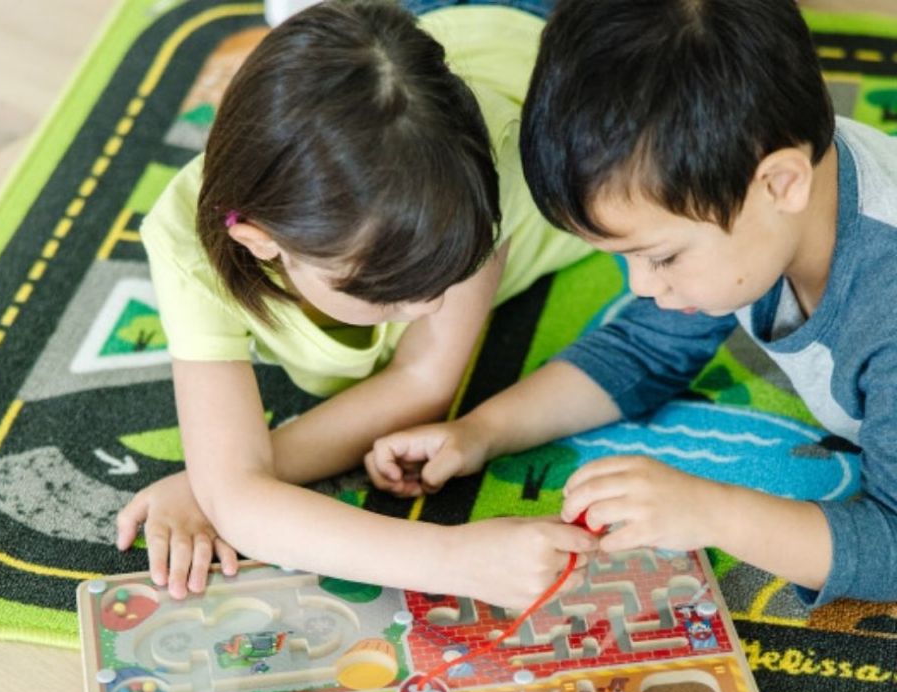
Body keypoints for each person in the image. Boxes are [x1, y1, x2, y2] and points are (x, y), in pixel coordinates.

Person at [366, 0, 897, 607]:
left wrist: (713, 512)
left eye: (661, 257)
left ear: (781, 184)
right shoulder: (757, 193)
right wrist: (480, 432)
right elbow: (644, 350)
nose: (641, 286)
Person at [116, 0, 596, 607]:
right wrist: (458, 561)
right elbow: (238, 501)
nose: (428, 306)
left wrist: (217, 480)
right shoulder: (186, 241)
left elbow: (422, 380)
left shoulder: (474, 167)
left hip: (559, 37)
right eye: (387, 292)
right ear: (260, 241)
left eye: (452, 270)